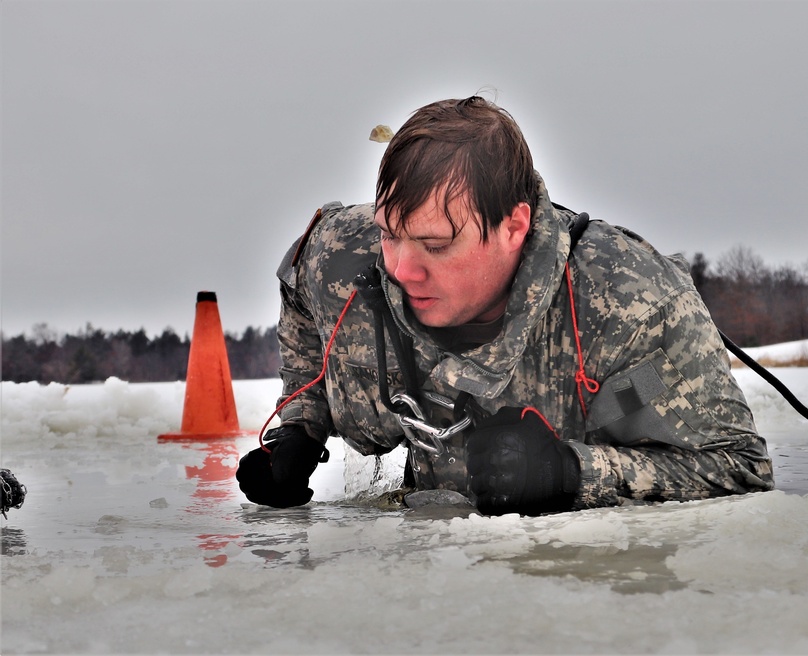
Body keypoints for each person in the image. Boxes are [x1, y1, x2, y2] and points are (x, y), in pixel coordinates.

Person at [236, 95, 774, 516]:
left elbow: (738, 467)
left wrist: (570, 474)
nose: (401, 269)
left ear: (514, 226)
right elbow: (300, 292)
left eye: (436, 245)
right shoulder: (344, 254)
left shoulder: (632, 303)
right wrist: (300, 428)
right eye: (389, 235)